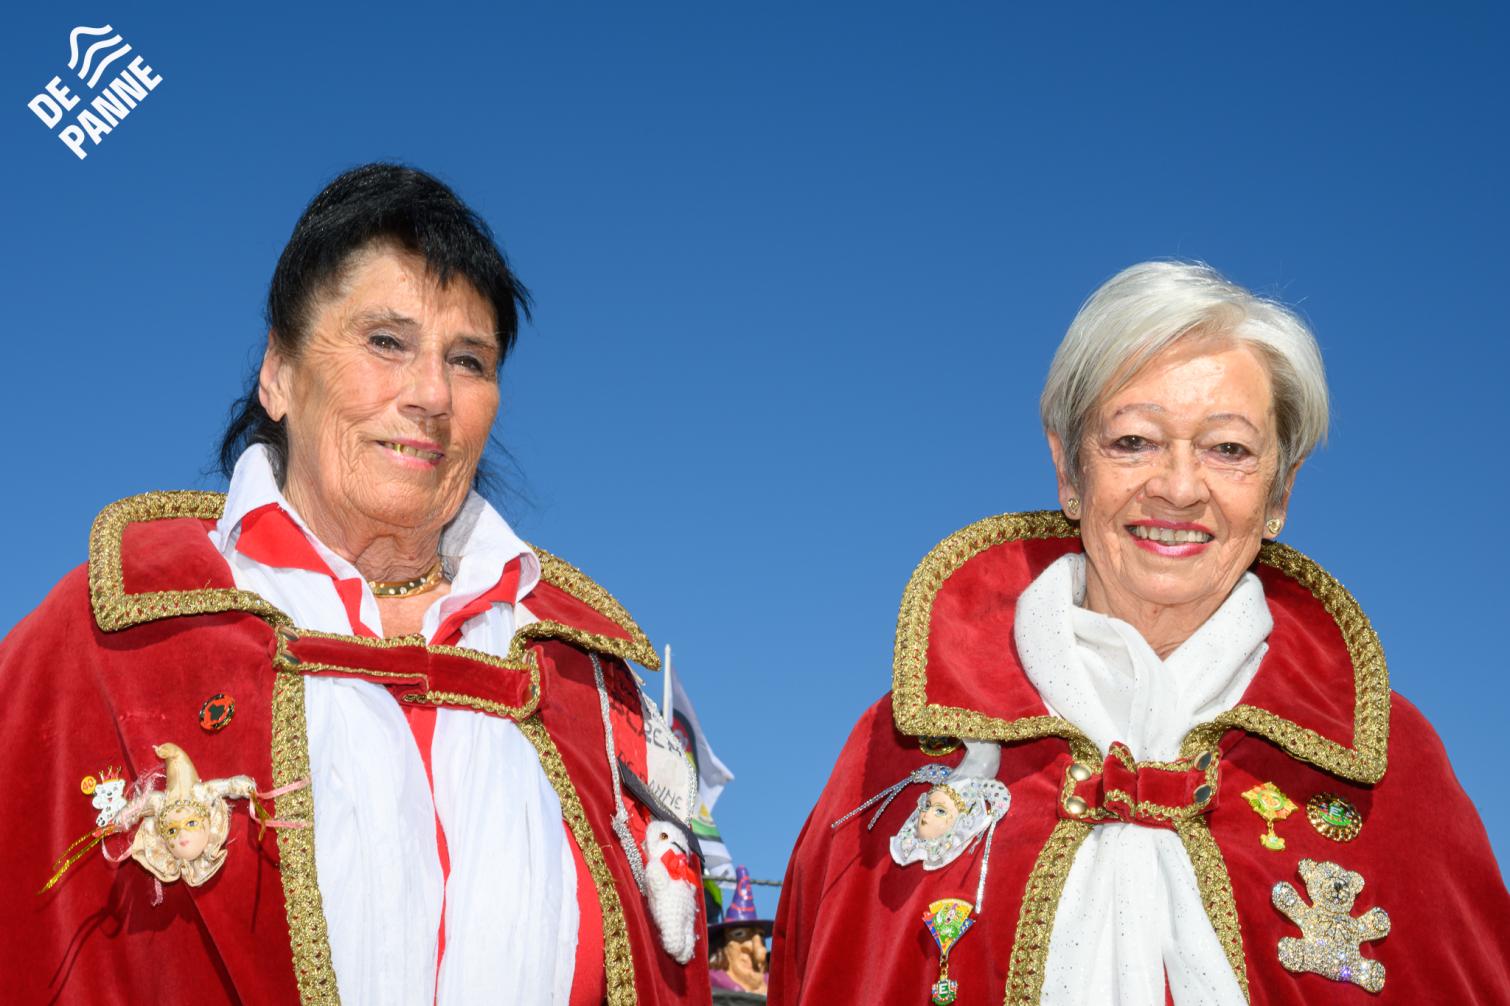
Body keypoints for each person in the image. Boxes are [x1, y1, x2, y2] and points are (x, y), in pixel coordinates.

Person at [0, 163, 710, 1006]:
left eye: (469, 360)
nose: (432, 394)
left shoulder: (588, 683)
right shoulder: (105, 641)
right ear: (278, 372)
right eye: (386, 342)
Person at [771, 262, 1510, 1004]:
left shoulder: (1399, 770)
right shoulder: (894, 750)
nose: (1179, 487)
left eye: (1229, 449)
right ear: (1069, 470)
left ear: (1279, 491)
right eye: (1133, 441)